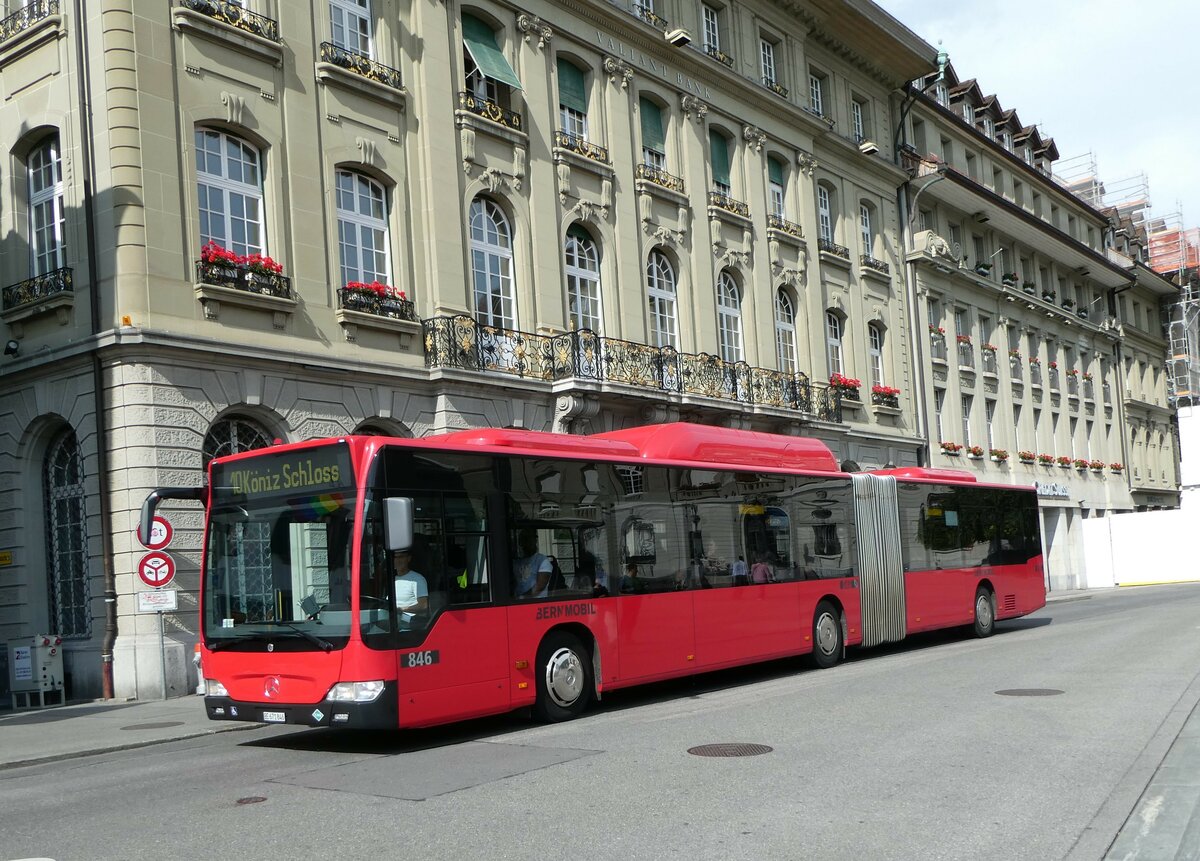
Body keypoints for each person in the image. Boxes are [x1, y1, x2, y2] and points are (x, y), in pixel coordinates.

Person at [393, 548, 428, 627]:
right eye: (395, 557)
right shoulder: (393, 579)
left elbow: (423, 606)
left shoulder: (417, 579)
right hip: (392, 619)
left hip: (410, 622)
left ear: (408, 559)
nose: (398, 560)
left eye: (401, 557)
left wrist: (401, 609)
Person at [513, 529, 552, 598]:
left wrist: (522, 597)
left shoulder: (542, 560)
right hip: (516, 602)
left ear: (535, 541)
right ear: (520, 542)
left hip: (535, 602)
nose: (529, 542)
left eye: (531, 539)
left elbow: (539, 587)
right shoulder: (517, 562)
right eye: (525, 539)